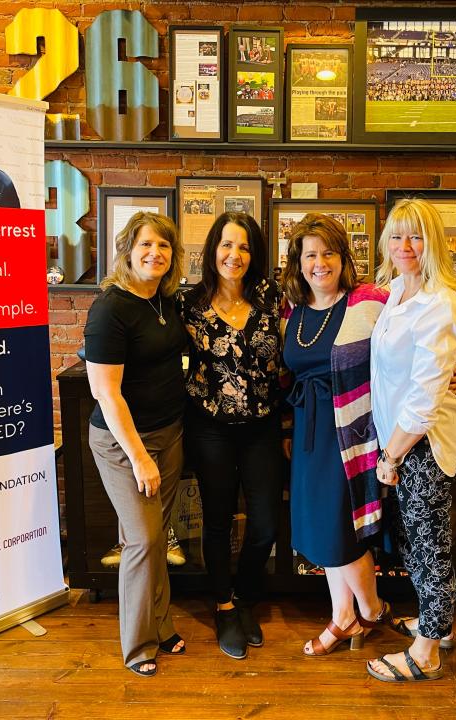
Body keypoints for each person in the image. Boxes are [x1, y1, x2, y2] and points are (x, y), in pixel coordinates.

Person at [367, 198, 456, 683]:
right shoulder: (395, 292)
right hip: (402, 438)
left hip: (420, 442)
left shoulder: (442, 301)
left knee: (428, 543)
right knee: (421, 539)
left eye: (416, 236)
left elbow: (426, 395)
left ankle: (426, 651)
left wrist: (392, 454)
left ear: (434, 242)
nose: (405, 246)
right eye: (397, 236)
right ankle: (439, 624)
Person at [278, 214, 390, 655]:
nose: (319, 263)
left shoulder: (371, 303)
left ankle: (372, 610)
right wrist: (288, 429)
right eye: (310, 254)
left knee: (342, 532)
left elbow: (410, 348)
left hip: (351, 433)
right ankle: (345, 616)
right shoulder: (294, 312)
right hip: (308, 431)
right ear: (298, 262)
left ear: (344, 259)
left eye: (328, 253)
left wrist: (454, 370)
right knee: (318, 529)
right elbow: (286, 378)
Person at [83, 212, 188, 677]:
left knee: (156, 535)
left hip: (169, 432)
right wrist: (140, 457)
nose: (155, 254)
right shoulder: (111, 307)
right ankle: (139, 645)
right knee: (144, 540)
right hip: (124, 443)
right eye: (146, 245)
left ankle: (161, 624)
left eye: (164, 246)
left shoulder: (163, 300)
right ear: (127, 249)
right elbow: (106, 392)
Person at [180, 212, 283, 660]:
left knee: (265, 522)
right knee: (218, 520)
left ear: (254, 254)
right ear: (212, 250)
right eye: (226, 245)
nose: (234, 255)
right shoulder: (190, 302)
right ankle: (223, 605)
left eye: (243, 247)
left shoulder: (272, 297)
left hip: (262, 424)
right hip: (210, 427)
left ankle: (243, 596)